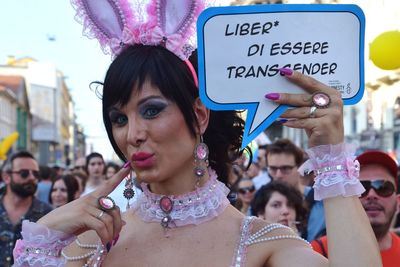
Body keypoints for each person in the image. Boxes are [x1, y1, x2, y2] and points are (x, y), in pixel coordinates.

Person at [12, 1, 381, 267]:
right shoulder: (90, 246)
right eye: (118, 118)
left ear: (199, 116)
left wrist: (330, 157)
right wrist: (45, 233)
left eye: (151, 110)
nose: (132, 134)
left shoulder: (261, 242)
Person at [311, 150, 400, 266]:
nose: (372, 195)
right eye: (362, 187)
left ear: (398, 202)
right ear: (349, 198)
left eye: (383, 187)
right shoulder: (317, 252)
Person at [266, 138, 325, 241]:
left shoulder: (318, 200)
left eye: (285, 169)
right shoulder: (262, 199)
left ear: (299, 167)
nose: (278, 175)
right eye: (273, 169)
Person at [0, 151, 52, 267]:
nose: (32, 178)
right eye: (24, 173)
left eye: (35, 174)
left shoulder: (47, 213)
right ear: (7, 177)